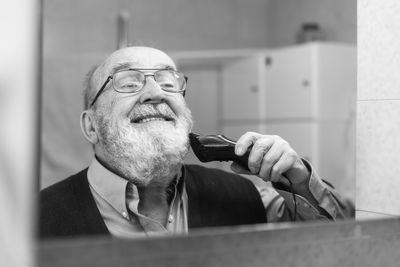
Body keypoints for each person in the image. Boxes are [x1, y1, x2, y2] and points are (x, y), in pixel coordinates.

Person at [39, 46, 352, 239]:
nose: (156, 92)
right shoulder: (32, 222)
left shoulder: (246, 198)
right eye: (128, 83)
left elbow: (343, 243)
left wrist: (297, 178)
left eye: (167, 82)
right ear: (90, 125)